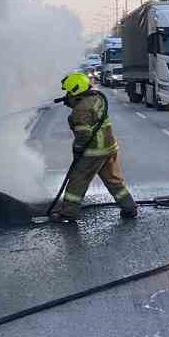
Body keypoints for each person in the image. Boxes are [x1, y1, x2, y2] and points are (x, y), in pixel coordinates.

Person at [57, 71, 136, 223]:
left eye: (68, 92)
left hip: (94, 151)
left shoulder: (80, 110)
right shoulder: (97, 98)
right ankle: (129, 208)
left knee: (78, 180)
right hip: (109, 148)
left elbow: (83, 135)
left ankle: (67, 214)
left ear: (75, 90)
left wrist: (78, 150)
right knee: (114, 181)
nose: (67, 95)